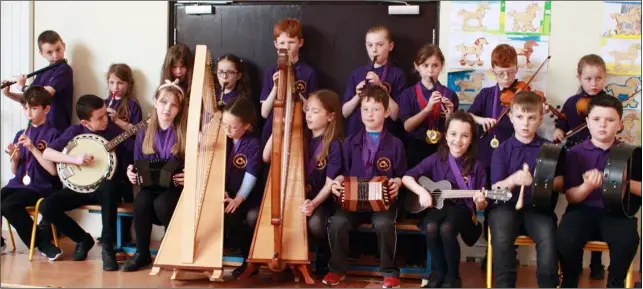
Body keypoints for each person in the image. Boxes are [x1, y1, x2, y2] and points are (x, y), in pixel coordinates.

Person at [324, 85, 406, 288]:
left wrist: (397, 182)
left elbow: (403, 174)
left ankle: (389, 271)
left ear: (386, 112)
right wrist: (337, 182)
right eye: (365, 109)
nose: (370, 114)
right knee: (337, 223)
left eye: (376, 109)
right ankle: (336, 270)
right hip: (353, 200)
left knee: (384, 224)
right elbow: (342, 172)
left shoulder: (396, 144)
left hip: (383, 201)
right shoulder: (350, 142)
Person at [557, 94, 641, 288]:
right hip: (582, 211)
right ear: (587, 122)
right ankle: (570, 280)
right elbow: (572, 197)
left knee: (628, 239)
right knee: (565, 238)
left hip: (617, 213)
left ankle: (615, 283)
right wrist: (588, 186)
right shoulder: (575, 153)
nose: (602, 125)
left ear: (620, 124)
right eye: (596, 119)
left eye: (610, 120)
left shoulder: (632, 153)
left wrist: (619, 182)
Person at [40, 94, 131, 271]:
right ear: (85, 123)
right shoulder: (75, 132)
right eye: (100, 118)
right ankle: (82, 239)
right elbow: (47, 153)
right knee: (47, 206)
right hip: (80, 188)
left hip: (105, 190)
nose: (106, 119)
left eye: (105, 114)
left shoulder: (113, 131)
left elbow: (135, 148)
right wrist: (75, 159)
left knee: (109, 186)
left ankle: (107, 249)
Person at [263, 89, 343, 276]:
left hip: (320, 200)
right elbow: (267, 157)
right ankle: (286, 261)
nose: (309, 115)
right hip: (294, 197)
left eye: (315, 111)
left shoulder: (334, 144)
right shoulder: (299, 135)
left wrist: (313, 203)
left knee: (316, 223)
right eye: (307, 110)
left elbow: (330, 184)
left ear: (330, 116)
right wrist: (278, 128)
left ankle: (323, 262)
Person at [402, 110, 487, 288]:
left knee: (447, 229)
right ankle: (439, 273)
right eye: (453, 134)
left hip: (462, 209)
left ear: (471, 139)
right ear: (446, 136)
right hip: (438, 207)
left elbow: (481, 204)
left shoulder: (477, 166)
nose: (458, 140)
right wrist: (422, 192)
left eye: (464, 135)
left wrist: (480, 201)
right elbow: (407, 177)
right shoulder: (436, 159)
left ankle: (453, 277)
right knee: (432, 227)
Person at [488, 91, 563, 288]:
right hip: (505, 207)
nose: (525, 123)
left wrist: (539, 181)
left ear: (540, 119)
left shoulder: (549, 149)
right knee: (502, 239)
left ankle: (548, 284)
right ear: (511, 118)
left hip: (538, 208)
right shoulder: (501, 150)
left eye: (531, 118)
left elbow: (562, 183)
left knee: (547, 238)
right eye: (520, 117)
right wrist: (513, 179)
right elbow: (495, 188)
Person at [121, 80, 188, 272]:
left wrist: (189, 175)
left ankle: (173, 248)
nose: (167, 108)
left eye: (173, 105)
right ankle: (142, 254)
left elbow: (194, 162)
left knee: (162, 203)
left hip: (175, 187)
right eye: (163, 102)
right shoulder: (144, 131)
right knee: (141, 202)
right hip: (151, 185)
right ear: (155, 102)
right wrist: (130, 172)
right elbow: (137, 162)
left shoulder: (184, 131)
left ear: (179, 109)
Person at [553, 54, 609, 280]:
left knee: (599, 197)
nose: (593, 84)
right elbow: (562, 123)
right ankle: (569, 263)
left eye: (598, 78)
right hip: (576, 157)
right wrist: (558, 130)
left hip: (601, 156)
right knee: (577, 198)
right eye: (588, 79)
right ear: (579, 78)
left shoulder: (607, 103)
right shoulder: (571, 102)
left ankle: (596, 263)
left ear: (604, 78)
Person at [0, 86, 61, 259]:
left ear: (46, 109)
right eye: (26, 108)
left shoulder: (53, 134)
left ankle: (43, 245)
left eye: (34, 108)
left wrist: (33, 148)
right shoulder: (21, 133)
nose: (29, 113)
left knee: (9, 205)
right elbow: (14, 171)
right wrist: (16, 158)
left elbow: (53, 171)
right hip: (20, 184)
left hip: (41, 186)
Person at [259, 17, 319, 145]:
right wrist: (276, 88)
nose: (286, 47)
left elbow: (312, 109)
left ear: (300, 43)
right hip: (272, 130)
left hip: (299, 129)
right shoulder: (271, 72)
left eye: (291, 42)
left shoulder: (309, 72)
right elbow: (264, 113)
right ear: (276, 44)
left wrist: (294, 91)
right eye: (282, 43)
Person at [398, 43, 458, 169]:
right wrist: (427, 109)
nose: (430, 70)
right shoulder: (407, 94)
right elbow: (407, 127)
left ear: (441, 66)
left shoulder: (450, 95)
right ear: (417, 66)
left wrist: (449, 115)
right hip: (415, 149)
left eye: (435, 65)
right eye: (425, 65)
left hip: (441, 148)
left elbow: (452, 131)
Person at [2, 30, 74, 132]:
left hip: (56, 129)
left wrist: (22, 87)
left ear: (64, 46)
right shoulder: (43, 73)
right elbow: (29, 97)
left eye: (58, 49)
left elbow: (45, 93)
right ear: (41, 53)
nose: (55, 55)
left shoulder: (64, 69)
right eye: (49, 52)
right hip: (40, 127)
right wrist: (8, 93)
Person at [342, 25, 407, 138]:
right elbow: (345, 113)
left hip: (386, 137)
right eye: (370, 45)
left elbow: (396, 115)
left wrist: (381, 86)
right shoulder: (356, 73)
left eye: (379, 45)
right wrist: (358, 96)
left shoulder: (398, 74)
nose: (374, 50)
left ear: (390, 46)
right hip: (357, 135)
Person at [102, 63, 142, 245]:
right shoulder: (103, 104)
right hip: (109, 155)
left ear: (128, 85)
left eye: (120, 83)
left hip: (127, 153)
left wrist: (116, 120)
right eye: (111, 83)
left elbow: (138, 131)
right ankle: (108, 233)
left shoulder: (133, 105)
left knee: (126, 193)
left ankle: (125, 235)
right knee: (109, 193)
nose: (115, 88)